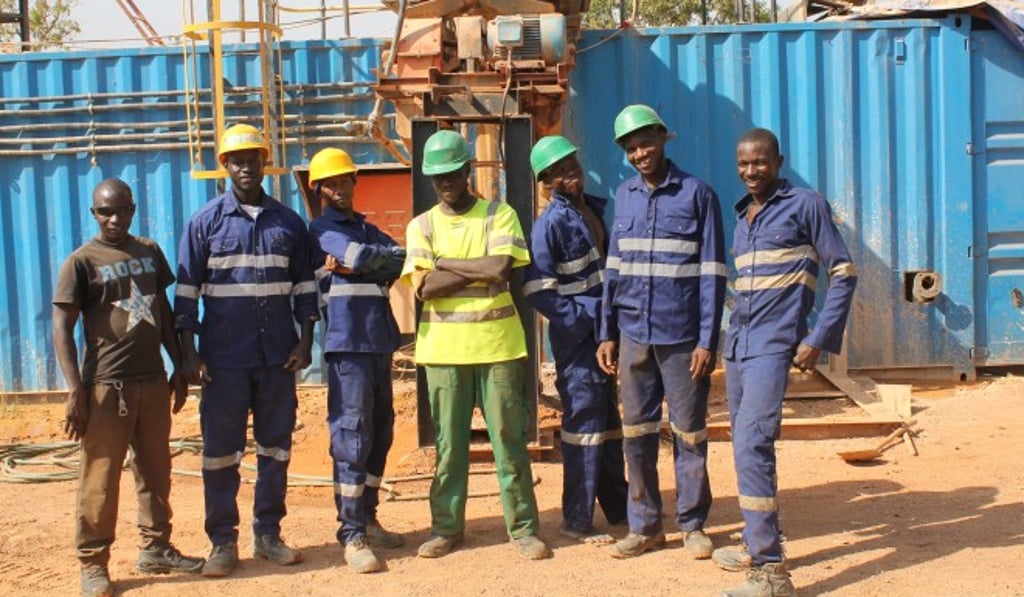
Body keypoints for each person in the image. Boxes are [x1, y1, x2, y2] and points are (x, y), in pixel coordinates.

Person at [713, 128, 857, 597]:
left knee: (753, 444)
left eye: (759, 162)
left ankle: (772, 573)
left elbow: (843, 273)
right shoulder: (744, 215)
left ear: (778, 161)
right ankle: (759, 541)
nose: (750, 171)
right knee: (745, 446)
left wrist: (818, 338)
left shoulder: (806, 205)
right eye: (742, 163)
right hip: (739, 347)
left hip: (774, 348)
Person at [174, 123, 318, 577]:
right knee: (221, 453)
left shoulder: (288, 222)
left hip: (278, 357)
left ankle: (268, 534)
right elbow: (186, 294)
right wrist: (190, 353)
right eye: (237, 160)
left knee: (275, 449)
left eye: (253, 159)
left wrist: (306, 339)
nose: (246, 167)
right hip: (224, 360)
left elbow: (305, 288)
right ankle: (222, 542)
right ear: (224, 165)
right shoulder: (205, 222)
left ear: (264, 162)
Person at [400, 129, 551, 561]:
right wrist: (471, 269)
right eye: (438, 175)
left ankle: (523, 528)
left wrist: (446, 263)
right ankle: (446, 529)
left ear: (468, 169)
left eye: (452, 172)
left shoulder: (498, 215)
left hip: (497, 347)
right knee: (449, 446)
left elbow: (501, 269)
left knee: (509, 440)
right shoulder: (421, 225)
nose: (446, 181)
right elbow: (425, 288)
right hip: (444, 353)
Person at [53, 178, 204, 597]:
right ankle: (93, 562)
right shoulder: (80, 262)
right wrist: (75, 390)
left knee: (156, 471)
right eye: (106, 212)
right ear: (93, 214)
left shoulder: (148, 251)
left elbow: (161, 308)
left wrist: (178, 366)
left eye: (122, 210)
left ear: (133, 209)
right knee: (99, 479)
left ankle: (156, 547)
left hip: (152, 382)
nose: (115, 219)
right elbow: (61, 330)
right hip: (106, 389)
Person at [596, 104, 727, 560]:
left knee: (689, 433)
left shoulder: (698, 194)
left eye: (645, 143)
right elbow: (614, 270)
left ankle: (692, 525)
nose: (639, 153)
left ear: (662, 140)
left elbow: (712, 273)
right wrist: (606, 332)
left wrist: (708, 340)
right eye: (631, 148)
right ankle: (645, 526)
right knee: (637, 433)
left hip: (682, 338)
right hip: (632, 333)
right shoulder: (625, 196)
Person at [523, 135, 628, 544]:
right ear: (546, 181)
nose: (570, 174)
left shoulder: (593, 208)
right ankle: (577, 521)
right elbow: (539, 292)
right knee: (583, 425)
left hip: (604, 334)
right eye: (559, 172)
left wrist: (609, 328)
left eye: (573, 166)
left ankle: (619, 511)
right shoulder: (549, 225)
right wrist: (587, 324)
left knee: (608, 424)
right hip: (579, 342)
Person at [306, 147, 407, 573]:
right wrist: (368, 264)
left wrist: (369, 263)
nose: (339, 188)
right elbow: (363, 259)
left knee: (381, 432)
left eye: (344, 180)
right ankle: (351, 533)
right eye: (330, 183)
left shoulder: (366, 228)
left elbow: (402, 258)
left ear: (353, 183)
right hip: (348, 347)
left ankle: (369, 514)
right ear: (320, 191)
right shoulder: (322, 230)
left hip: (379, 341)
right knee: (352, 436)